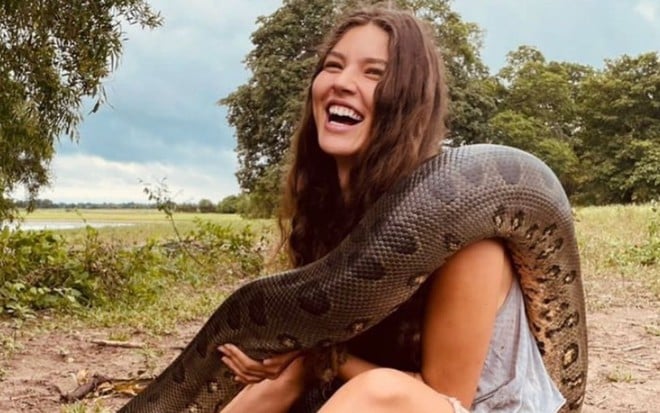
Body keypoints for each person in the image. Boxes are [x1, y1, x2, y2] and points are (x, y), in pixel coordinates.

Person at [218, 4, 566, 413]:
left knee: (373, 390)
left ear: (409, 101)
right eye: (333, 66)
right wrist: (289, 362)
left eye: (374, 73)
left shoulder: (465, 224)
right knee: (282, 382)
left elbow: (446, 396)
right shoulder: (331, 214)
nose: (342, 83)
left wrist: (320, 357)